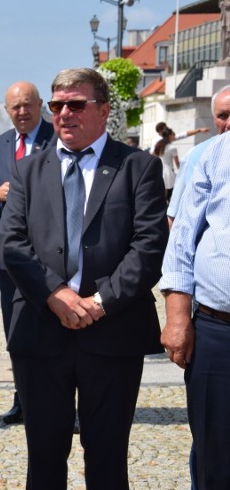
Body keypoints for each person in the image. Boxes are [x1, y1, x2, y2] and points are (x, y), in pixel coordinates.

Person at [0, 67, 168, 489]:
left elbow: (149, 247)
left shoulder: (139, 168)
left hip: (113, 332)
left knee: (108, 456)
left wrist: (98, 302)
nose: (64, 114)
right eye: (57, 105)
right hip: (41, 330)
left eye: (76, 104)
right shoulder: (27, 172)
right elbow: (12, 243)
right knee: (43, 457)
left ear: (104, 110)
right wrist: (54, 294)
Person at [159, 128, 230, 488]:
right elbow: (182, 240)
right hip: (219, 331)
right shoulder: (215, 153)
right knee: (216, 459)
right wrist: (177, 317)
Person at [0, 80, 56, 425]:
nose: (22, 112)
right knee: (16, 330)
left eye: (28, 105)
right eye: (15, 107)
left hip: (52, 255)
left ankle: (59, 400)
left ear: (40, 104)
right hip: (10, 257)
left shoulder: (59, 139)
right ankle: (22, 398)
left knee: (56, 328)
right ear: (6, 110)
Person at [167, 86, 230, 224]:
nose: (229, 123)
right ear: (214, 119)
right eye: (223, 116)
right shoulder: (196, 157)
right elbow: (175, 217)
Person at [153, 126, 180, 202]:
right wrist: (180, 170)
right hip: (168, 171)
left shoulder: (158, 145)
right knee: (168, 193)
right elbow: (177, 163)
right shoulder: (172, 147)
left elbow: (152, 155)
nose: (174, 136)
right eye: (172, 134)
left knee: (161, 192)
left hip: (158, 169)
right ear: (169, 135)